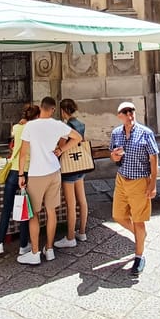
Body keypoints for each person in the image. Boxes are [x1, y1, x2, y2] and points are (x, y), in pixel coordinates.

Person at [16, 97, 82, 266]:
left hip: (37, 174)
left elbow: (23, 153)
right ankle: (50, 249)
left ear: (41, 108)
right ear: (53, 109)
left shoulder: (30, 126)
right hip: (54, 171)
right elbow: (77, 137)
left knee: (34, 214)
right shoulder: (58, 125)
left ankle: (35, 252)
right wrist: (61, 150)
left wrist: (21, 175)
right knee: (51, 211)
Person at [109, 101, 159, 275]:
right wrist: (114, 156)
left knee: (139, 220)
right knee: (118, 216)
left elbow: (154, 158)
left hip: (139, 181)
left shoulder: (146, 133)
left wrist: (153, 183)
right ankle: (141, 236)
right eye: (125, 112)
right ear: (119, 116)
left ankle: (139, 256)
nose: (129, 115)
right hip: (122, 179)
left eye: (131, 112)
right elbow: (113, 156)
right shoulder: (116, 133)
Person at [0, 103, 40, 256]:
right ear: (37, 117)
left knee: (7, 207)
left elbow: (15, 144)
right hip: (29, 171)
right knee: (25, 208)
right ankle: (23, 245)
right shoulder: (36, 131)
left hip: (14, 170)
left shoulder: (17, 128)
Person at [54, 98, 89, 248]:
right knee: (82, 200)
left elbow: (61, 146)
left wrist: (59, 148)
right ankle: (82, 231)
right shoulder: (80, 124)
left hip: (69, 167)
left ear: (63, 111)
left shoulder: (65, 127)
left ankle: (70, 237)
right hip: (80, 164)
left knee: (71, 204)